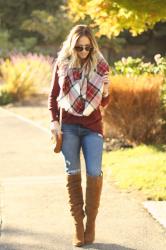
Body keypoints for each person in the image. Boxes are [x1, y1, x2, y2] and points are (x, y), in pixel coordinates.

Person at [48, 24, 110, 247]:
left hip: (93, 127)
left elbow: (103, 103)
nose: (84, 52)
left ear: (92, 47)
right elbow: (53, 96)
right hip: (70, 128)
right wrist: (54, 121)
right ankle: (78, 225)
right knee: (72, 173)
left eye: (87, 48)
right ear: (72, 46)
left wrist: (106, 91)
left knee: (94, 172)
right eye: (79, 48)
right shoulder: (62, 64)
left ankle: (90, 222)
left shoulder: (101, 66)